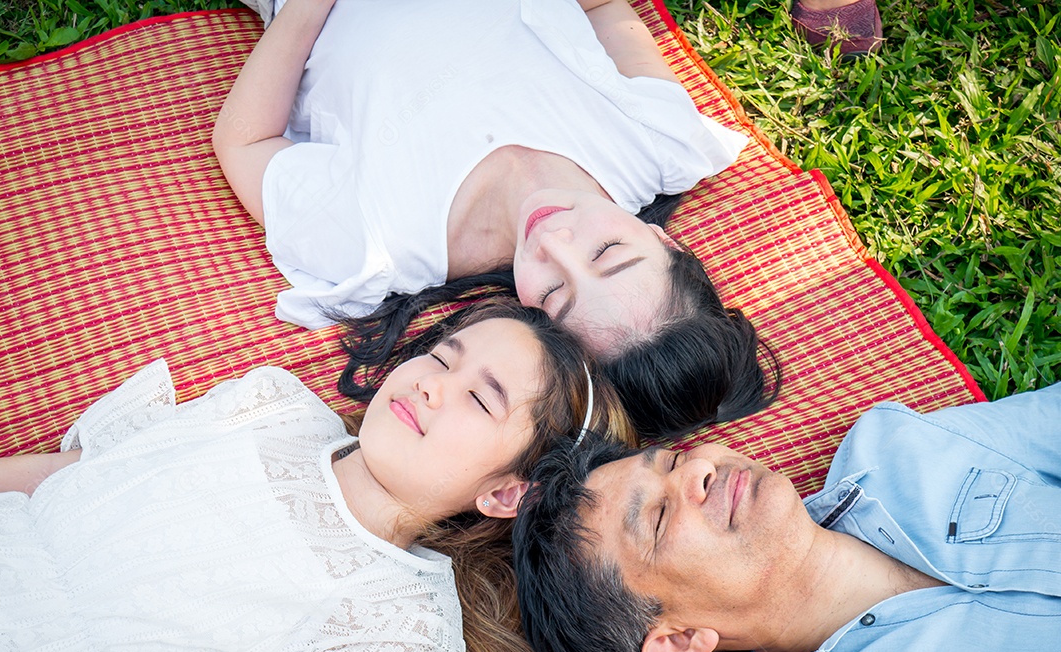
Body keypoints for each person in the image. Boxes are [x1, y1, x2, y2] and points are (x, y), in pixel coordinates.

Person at [0, 301, 633, 652]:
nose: (434, 385)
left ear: (505, 491)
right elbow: (71, 477)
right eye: (440, 356)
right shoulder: (271, 408)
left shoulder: (396, 625)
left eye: (481, 397)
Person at [213, 0, 781, 439]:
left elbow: (245, 142)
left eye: (556, 292)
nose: (555, 242)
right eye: (607, 253)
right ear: (665, 241)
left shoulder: (381, 245)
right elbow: (603, 9)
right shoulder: (657, 144)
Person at [512, 385, 1061, 652]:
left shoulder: (897, 448)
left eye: (674, 461)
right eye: (657, 517)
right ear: (679, 639)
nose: (701, 468)